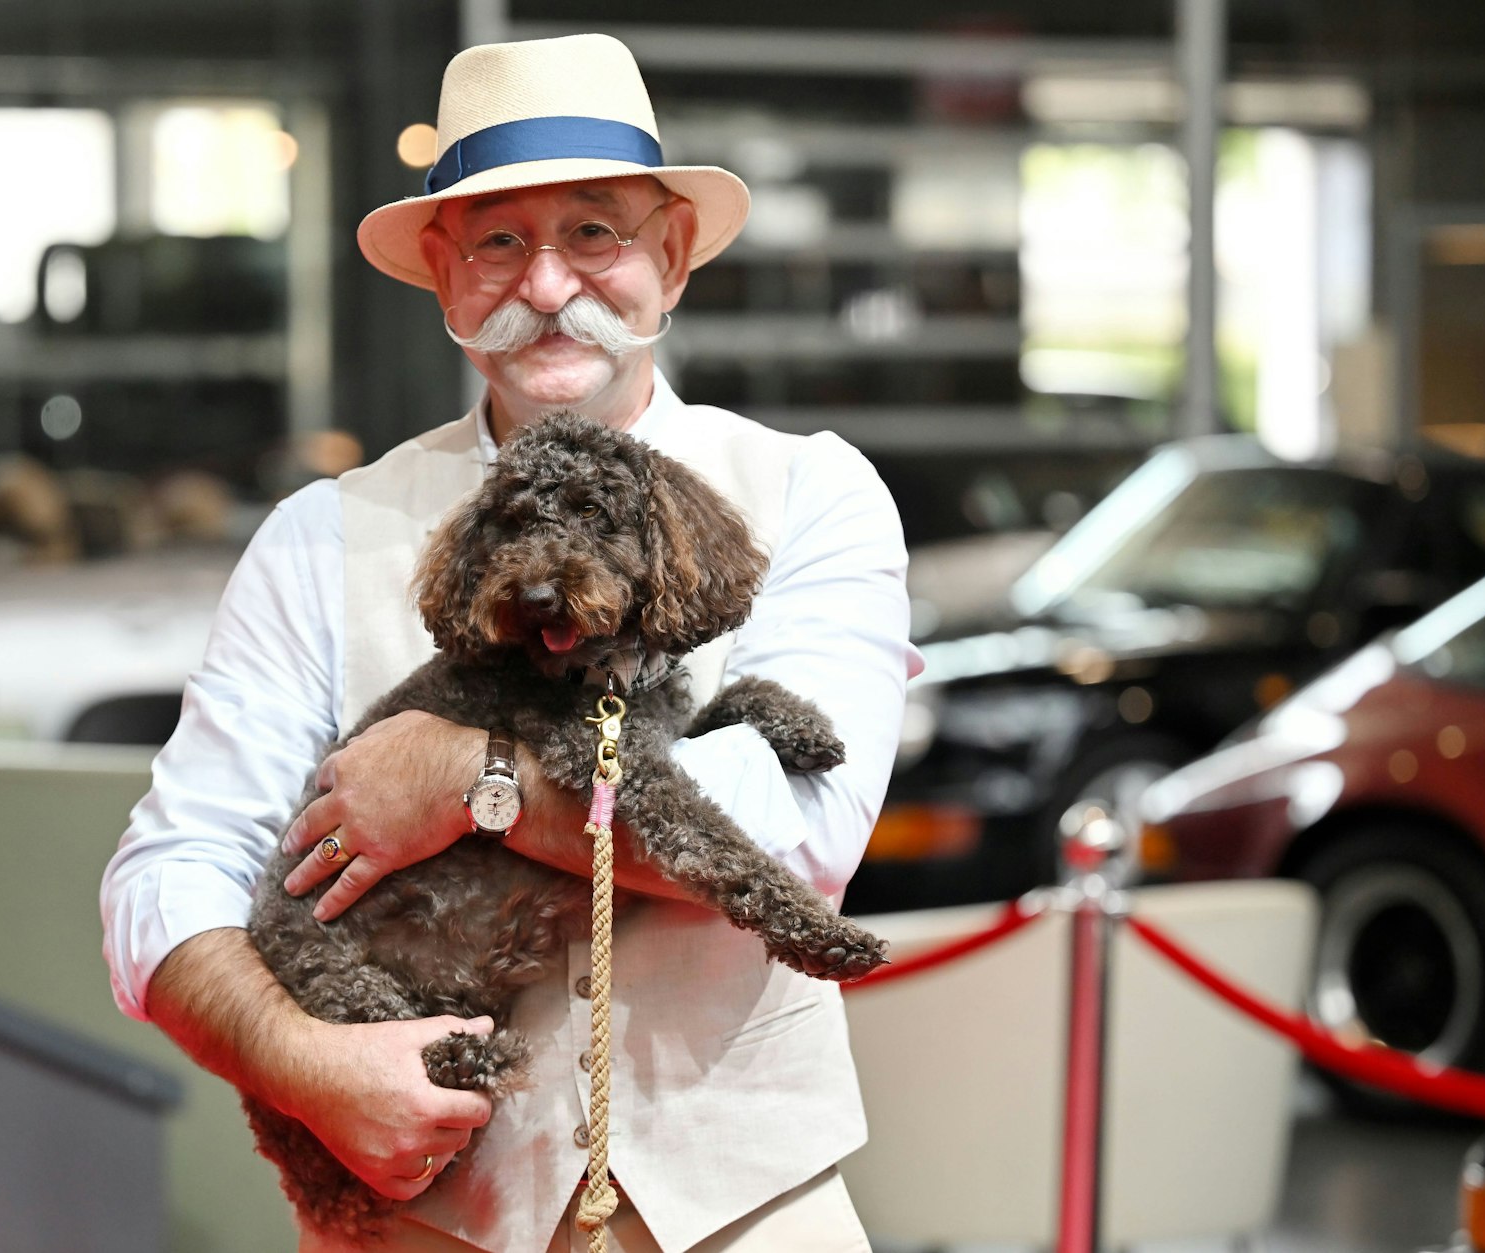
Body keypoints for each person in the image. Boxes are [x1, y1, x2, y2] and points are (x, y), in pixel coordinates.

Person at [100, 31, 921, 1253]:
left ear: (672, 256)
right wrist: (307, 1063)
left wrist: (471, 786)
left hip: (747, 1216)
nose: (545, 285)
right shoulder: (320, 536)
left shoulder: (809, 493)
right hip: (416, 1225)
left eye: (593, 232)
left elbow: (794, 836)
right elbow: (164, 878)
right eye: (497, 240)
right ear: (442, 274)